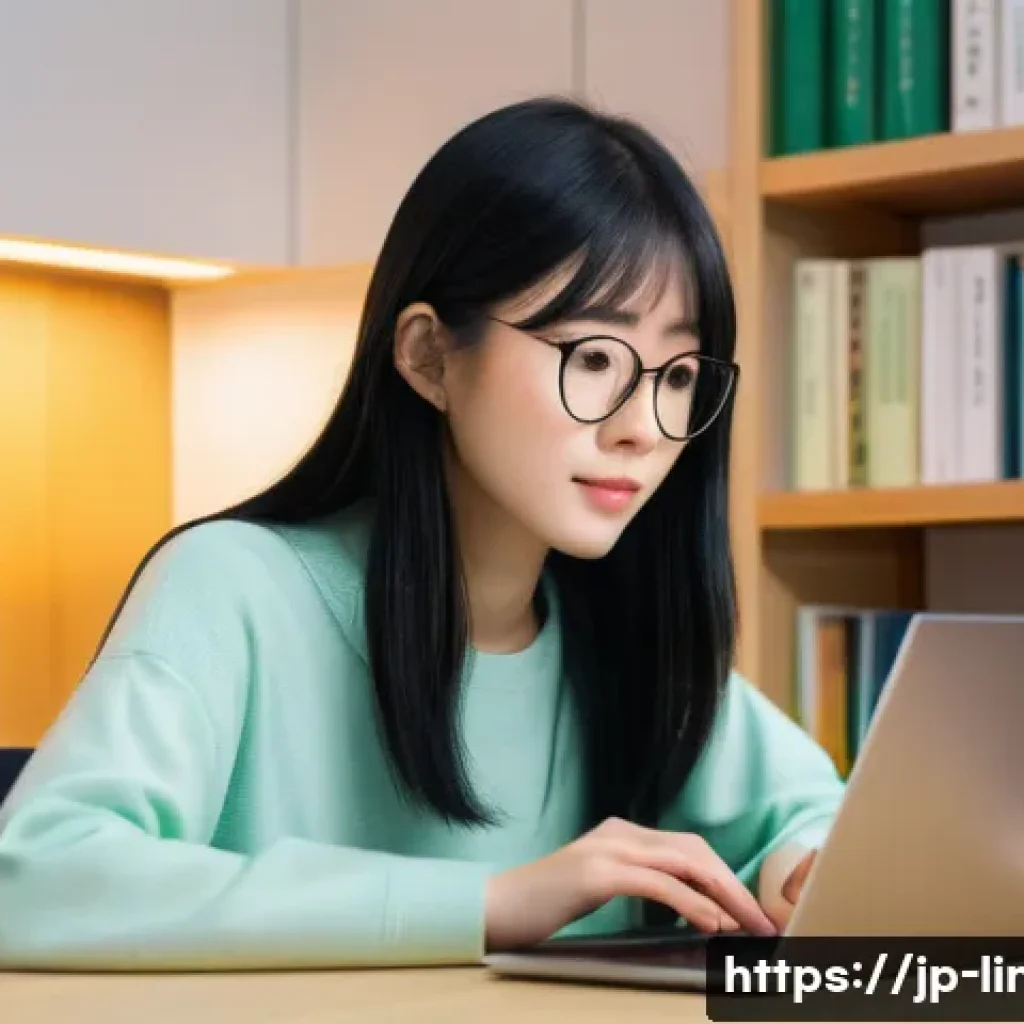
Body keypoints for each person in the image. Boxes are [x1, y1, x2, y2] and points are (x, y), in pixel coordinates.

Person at [0, 97, 844, 970]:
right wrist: (489, 905)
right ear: (428, 357)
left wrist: (801, 870)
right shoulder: (233, 588)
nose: (641, 427)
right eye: (593, 357)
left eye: (677, 374)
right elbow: (35, 876)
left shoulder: (621, 629)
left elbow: (813, 820)